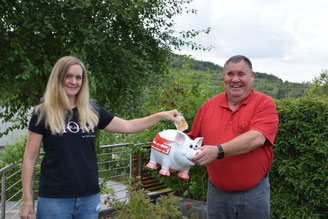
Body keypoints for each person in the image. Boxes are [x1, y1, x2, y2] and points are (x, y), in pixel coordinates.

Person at [19, 56, 180, 219]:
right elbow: (30, 158)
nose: (74, 82)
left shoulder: (92, 110)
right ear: (58, 78)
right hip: (54, 199)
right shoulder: (42, 113)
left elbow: (128, 126)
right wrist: (27, 200)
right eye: (68, 76)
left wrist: (160, 116)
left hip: (89, 198)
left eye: (78, 77)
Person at [189, 55, 279, 219]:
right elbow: (191, 141)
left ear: (251, 76)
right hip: (217, 194)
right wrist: (170, 149)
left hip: (254, 194)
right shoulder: (208, 106)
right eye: (230, 74)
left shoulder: (264, 103)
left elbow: (257, 137)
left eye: (241, 74)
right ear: (224, 77)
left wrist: (218, 151)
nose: (235, 79)